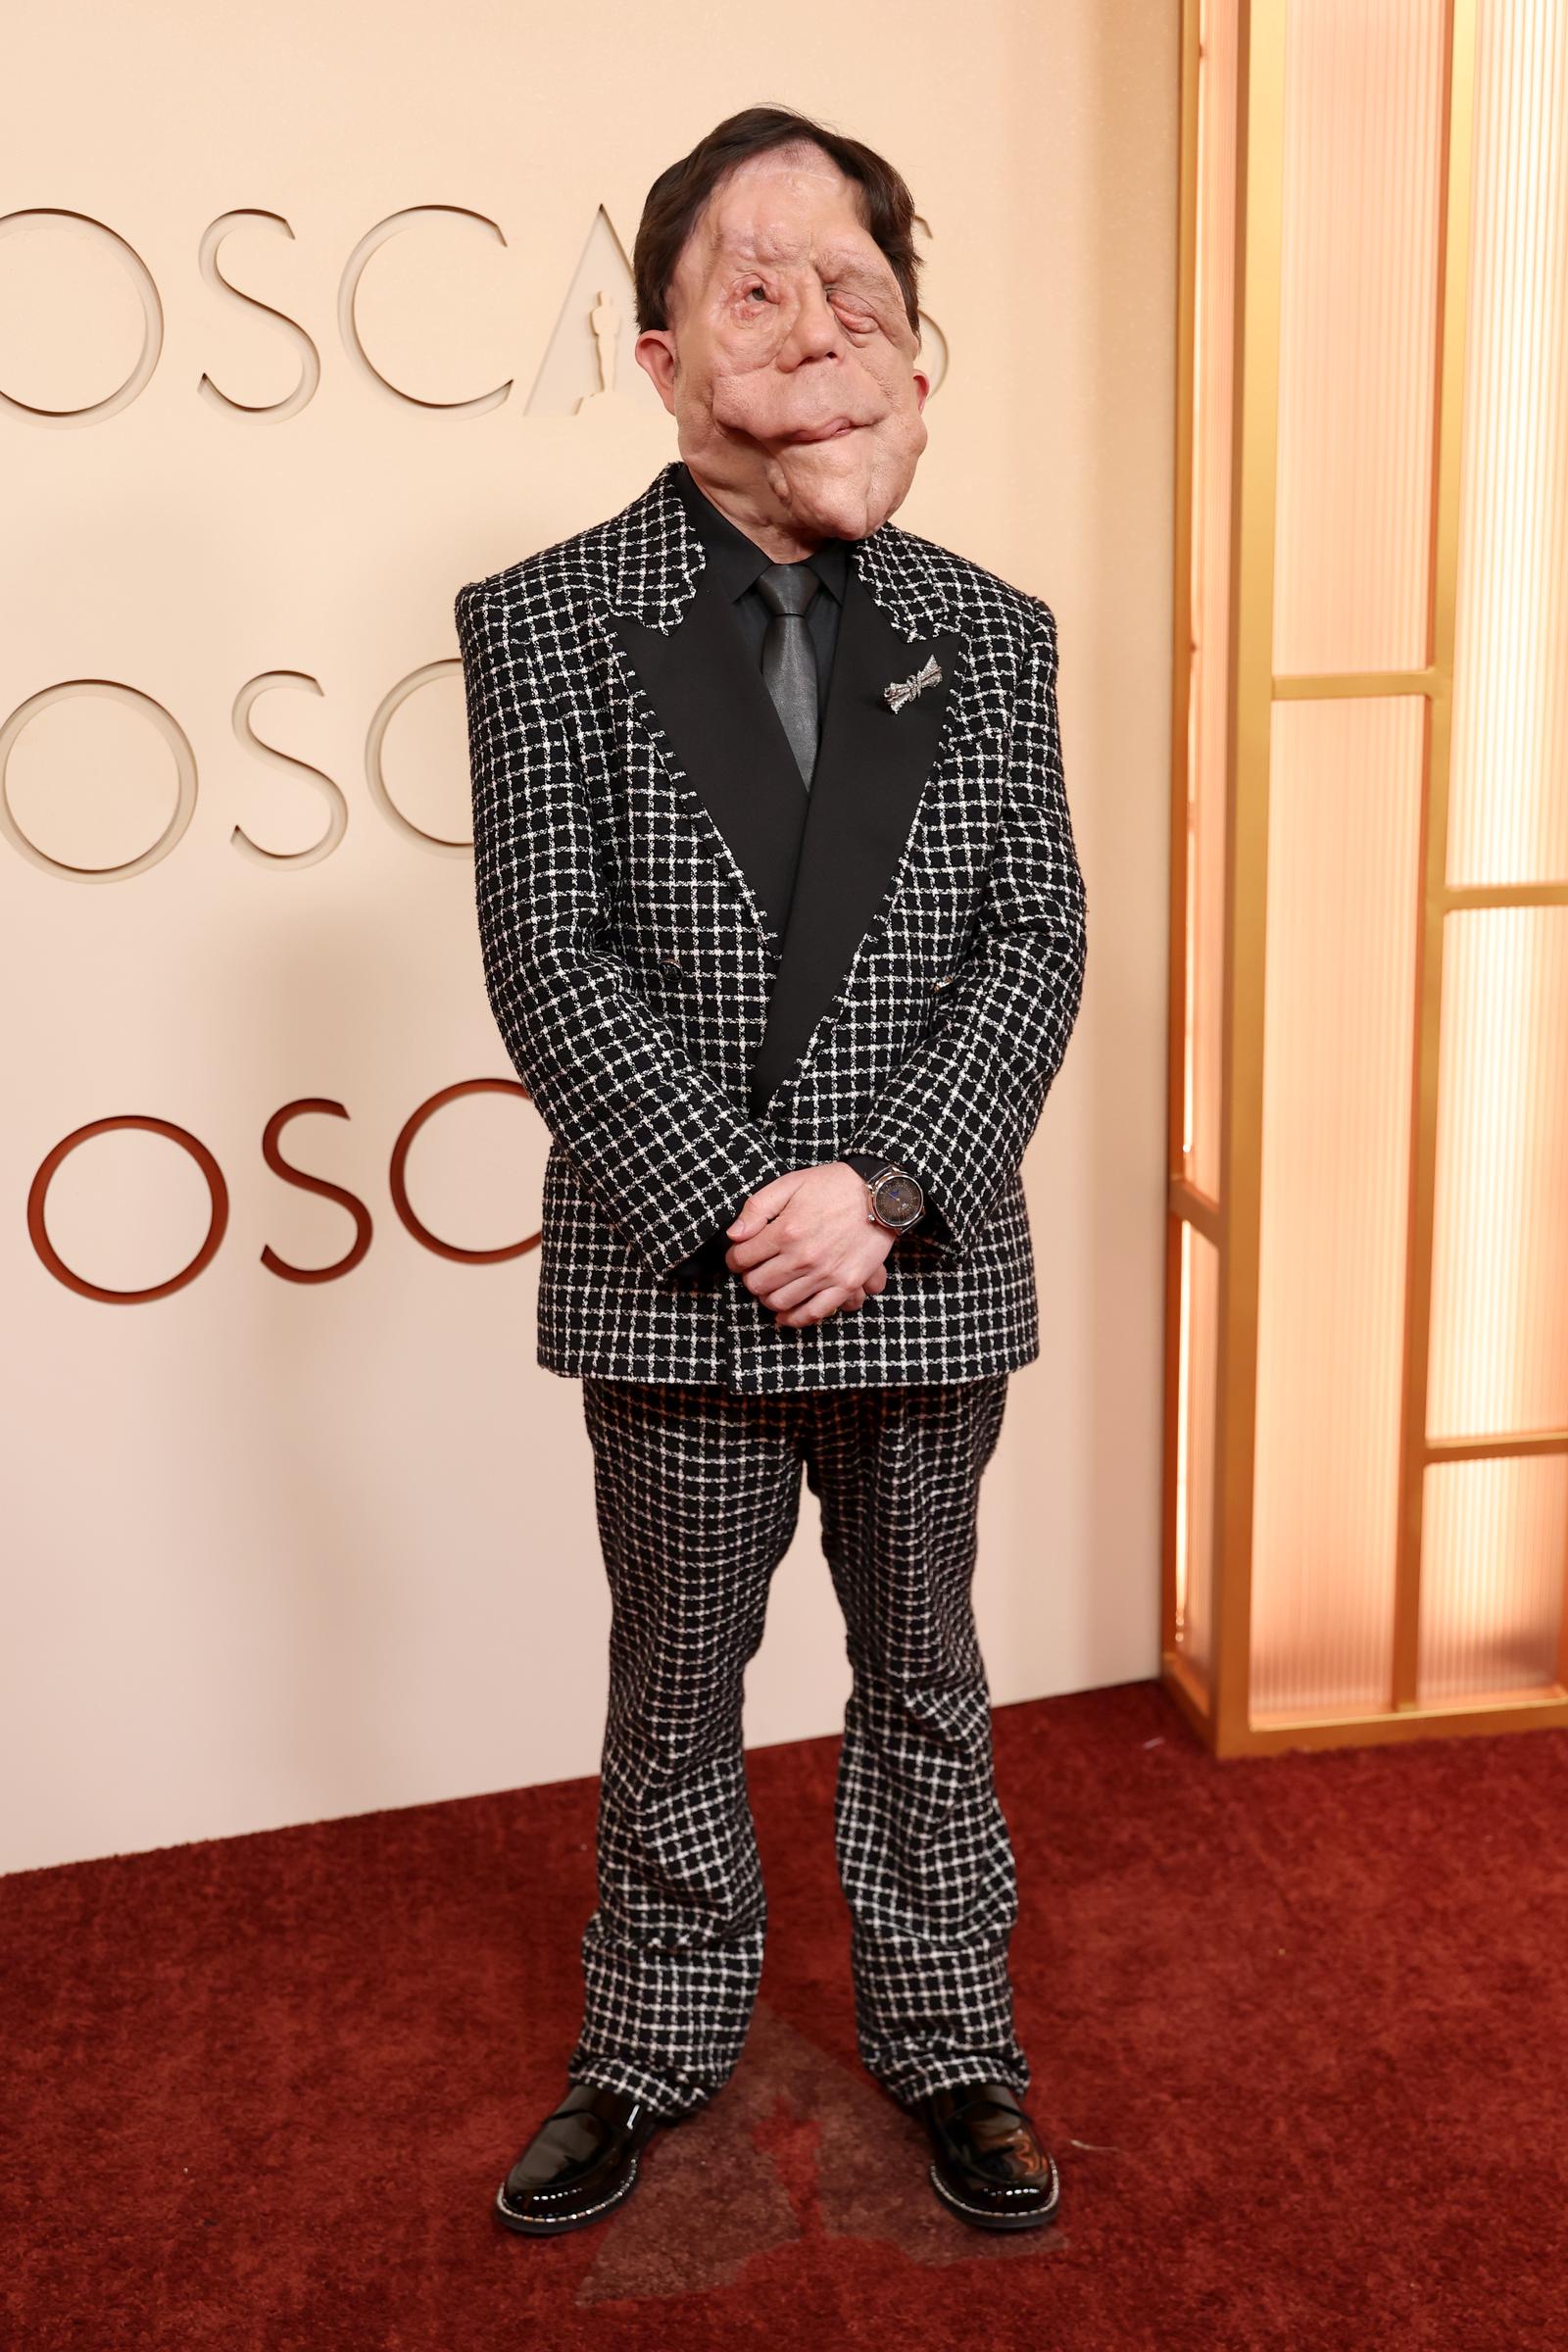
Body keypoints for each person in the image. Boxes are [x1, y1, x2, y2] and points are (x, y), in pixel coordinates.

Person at [455, 103, 1088, 2240]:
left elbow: (1037, 936)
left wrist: (884, 1184)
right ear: (655, 356)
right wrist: (746, 1199)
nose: (810, 321)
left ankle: (951, 2047)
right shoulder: (545, 621)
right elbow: (547, 953)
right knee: (673, 1676)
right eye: (753, 284)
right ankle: (641, 2044)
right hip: (682, 1265)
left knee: (923, 1669)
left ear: (916, 350)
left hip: (918, 1262)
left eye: (856, 292)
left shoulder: (987, 630)